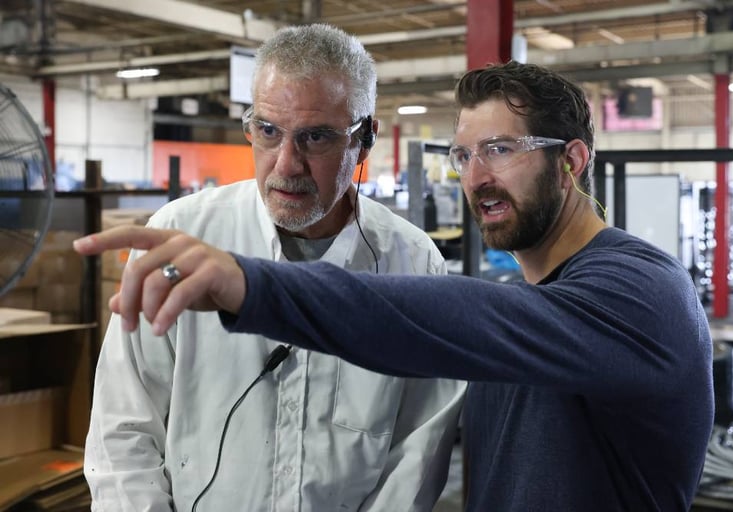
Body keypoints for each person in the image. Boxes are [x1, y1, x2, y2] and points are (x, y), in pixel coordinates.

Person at [75, 61, 714, 511]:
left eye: (500, 149)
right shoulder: (531, 303)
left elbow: (467, 322)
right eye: (464, 155)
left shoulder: (642, 292)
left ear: (570, 161)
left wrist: (253, 285)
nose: (476, 177)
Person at [83, 24, 465, 512]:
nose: (286, 164)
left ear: (364, 139)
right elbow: (124, 428)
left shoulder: (412, 264)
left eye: (315, 138)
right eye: (267, 131)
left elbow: (417, 453)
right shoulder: (182, 237)